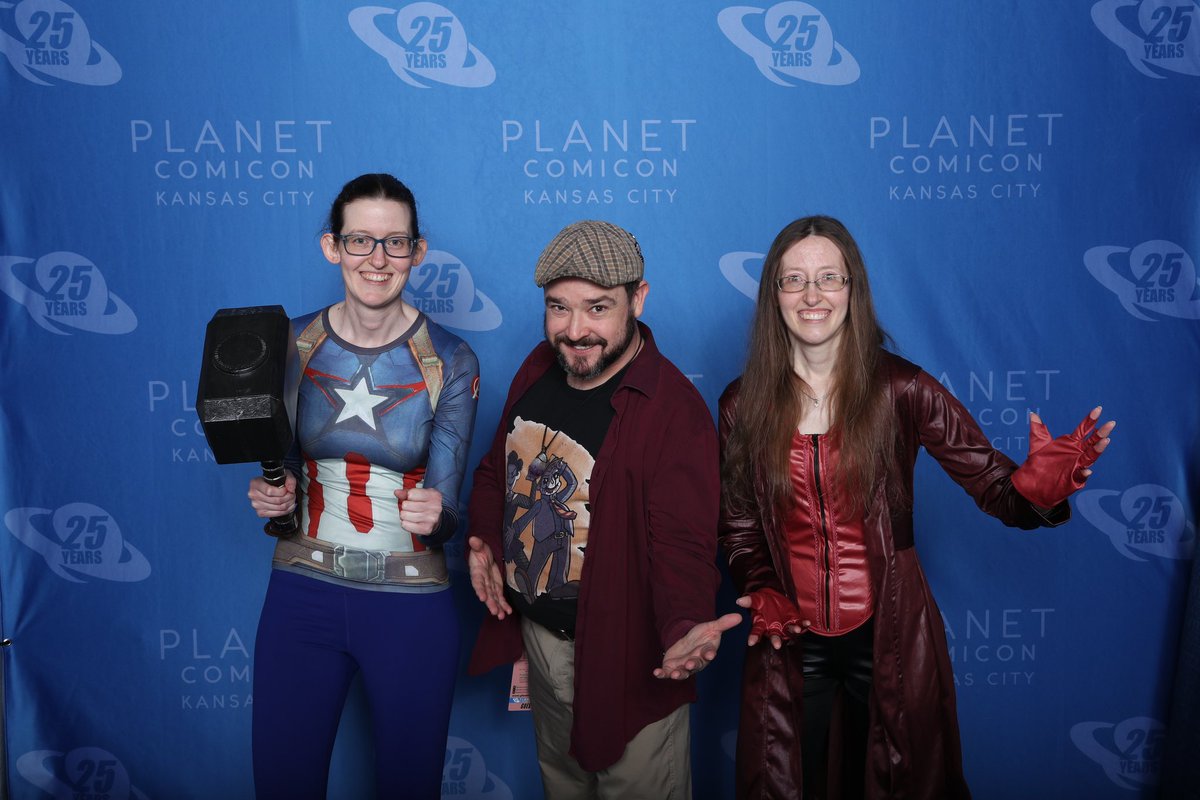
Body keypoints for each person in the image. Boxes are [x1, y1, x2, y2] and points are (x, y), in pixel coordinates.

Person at [717, 215, 1115, 800]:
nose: (812, 295)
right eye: (793, 280)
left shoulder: (901, 388)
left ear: (853, 290)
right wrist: (760, 581)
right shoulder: (740, 404)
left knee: (899, 780)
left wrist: (1039, 493)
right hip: (789, 639)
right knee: (789, 781)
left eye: (830, 278)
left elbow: (997, 489)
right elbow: (739, 526)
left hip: (892, 634)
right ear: (773, 296)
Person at [464, 220, 741, 799]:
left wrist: (685, 624)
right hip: (543, 648)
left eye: (597, 308)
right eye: (558, 308)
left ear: (638, 299)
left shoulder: (674, 412)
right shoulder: (537, 368)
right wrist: (485, 545)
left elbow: (684, 545)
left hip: (628, 657)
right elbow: (497, 470)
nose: (574, 330)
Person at [246, 173, 479, 798]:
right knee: (283, 782)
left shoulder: (450, 359)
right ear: (332, 247)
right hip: (303, 593)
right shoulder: (291, 343)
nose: (377, 260)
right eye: (361, 241)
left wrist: (442, 516)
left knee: (409, 786)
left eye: (395, 243)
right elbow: (284, 471)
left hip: (410, 606)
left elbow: (449, 508)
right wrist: (275, 495)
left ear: (417, 252)